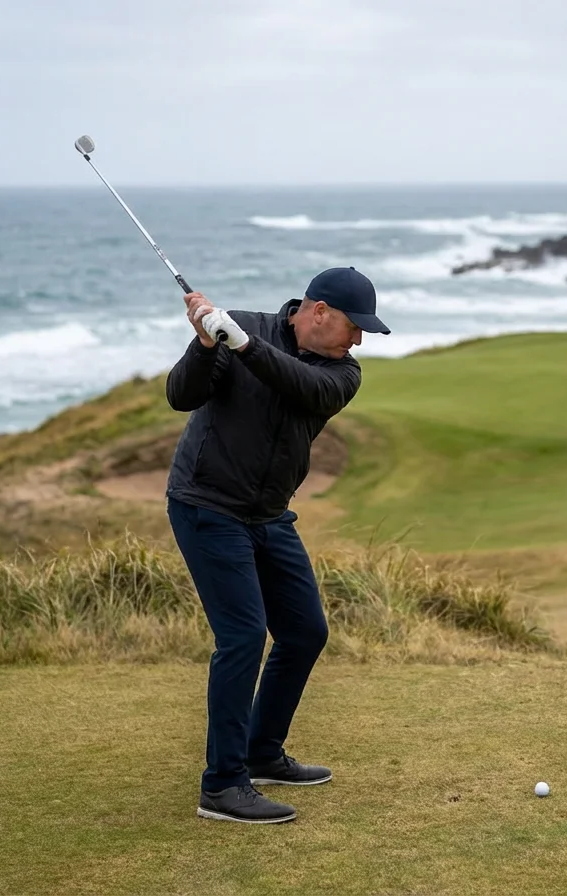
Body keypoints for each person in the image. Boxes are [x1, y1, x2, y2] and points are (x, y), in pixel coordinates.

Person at [164, 266, 390, 824]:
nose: (358, 339)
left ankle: (261, 753)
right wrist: (204, 343)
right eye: (353, 326)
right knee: (242, 637)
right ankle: (222, 785)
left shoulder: (342, 374)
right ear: (317, 312)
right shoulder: (237, 327)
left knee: (305, 632)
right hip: (206, 504)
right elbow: (180, 395)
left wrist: (240, 346)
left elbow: (299, 384)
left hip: (267, 515)